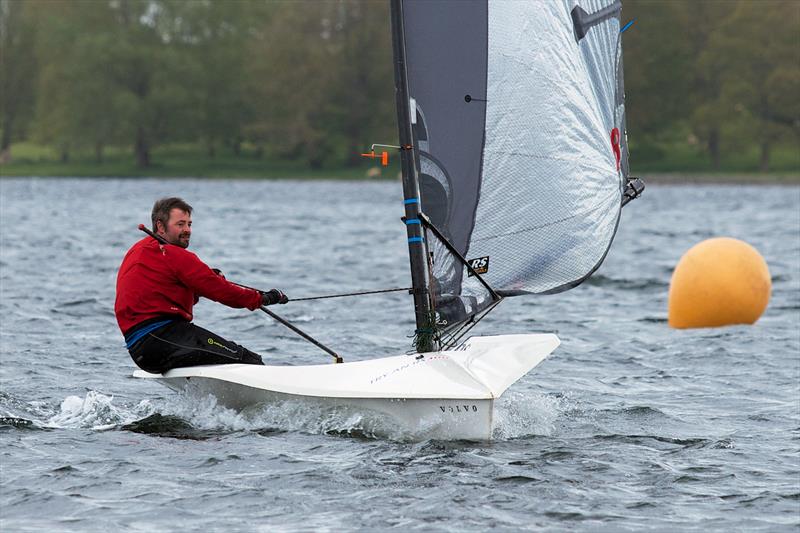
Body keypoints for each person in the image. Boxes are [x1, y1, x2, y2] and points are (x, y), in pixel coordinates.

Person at [115, 197, 288, 374]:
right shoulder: (175, 255)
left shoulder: (138, 250)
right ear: (160, 226)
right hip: (163, 338)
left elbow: (165, 293)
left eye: (189, 224)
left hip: (141, 349)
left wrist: (198, 287)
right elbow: (225, 293)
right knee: (249, 360)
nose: (187, 230)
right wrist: (265, 298)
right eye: (180, 224)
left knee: (221, 359)